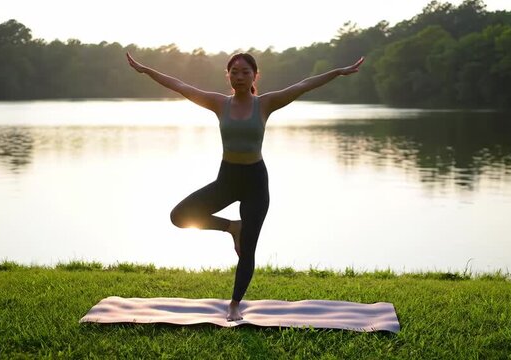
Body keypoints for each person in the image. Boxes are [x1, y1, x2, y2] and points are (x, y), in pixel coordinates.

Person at [126, 51, 364, 321]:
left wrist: (338, 72)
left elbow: (303, 85)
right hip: (227, 179)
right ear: (227, 75)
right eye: (234, 72)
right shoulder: (219, 103)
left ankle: (235, 303)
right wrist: (146, 70)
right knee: (179, 216)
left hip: (255, 182)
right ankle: (231, 227)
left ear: (254, 75)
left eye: (245, 72)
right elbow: (181, 86)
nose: (239, 76)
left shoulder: (265, 104)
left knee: (248, 249)